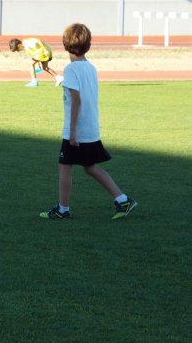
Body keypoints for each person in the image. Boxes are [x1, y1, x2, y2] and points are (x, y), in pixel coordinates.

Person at [39, 23, 137, 220]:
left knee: (64, 165)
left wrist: (72, 132)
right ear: (88, 45)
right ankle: (122, 200)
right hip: (91, 127)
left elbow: (76, 99)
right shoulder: (90, 67)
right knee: (90, 167)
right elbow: (74, 87)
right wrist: (48, 70)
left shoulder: (71, 69)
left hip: (77, 130)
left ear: (65, 45)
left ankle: (62, 210)